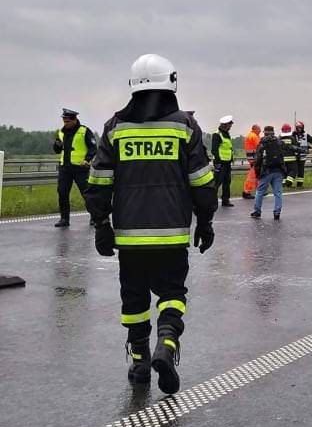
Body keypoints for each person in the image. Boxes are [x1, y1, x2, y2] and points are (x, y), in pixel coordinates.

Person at [84, 54, 217, 394]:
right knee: (172, 294)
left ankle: (140, 361)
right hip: (171, 236)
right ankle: (167, 344)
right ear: (171, 83)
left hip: (129, 238)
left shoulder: (115, 128)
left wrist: (101, 223)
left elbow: (98, 182)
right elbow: (202, 181)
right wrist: (205, 222)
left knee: (134, 299)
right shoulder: (184, 127)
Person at [52, 108, 97, 227]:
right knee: (62, 193)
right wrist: (57, 145)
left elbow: (93, 148)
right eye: (64, 121)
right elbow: (57, 150)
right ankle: (64, 219)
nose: (65, 124)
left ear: (74, 120)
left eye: (67, 122)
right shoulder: (61, 132)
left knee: (86, 193)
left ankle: (94, 216)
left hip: (80, 168)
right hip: (65, 168)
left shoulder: (84, 131)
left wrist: (87, 160)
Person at [251, 125, 287, 220]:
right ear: (273, 132)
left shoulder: (262, 143)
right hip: (278, 171)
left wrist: (257, 172)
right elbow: (287, 150)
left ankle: (257, 211)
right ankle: (277, 213)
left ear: (265, 132)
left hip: (267, 171)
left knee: (260, 192)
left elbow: (258, 159)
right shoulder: (279, 142)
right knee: (278, 193)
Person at [211, 115, 235, 207]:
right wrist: (217, 163)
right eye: (230, 125)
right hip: (220, 163)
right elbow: (214, 150)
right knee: (217, 182)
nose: (231, 127)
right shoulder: (217, 134)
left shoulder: (226, 134)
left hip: (227, 162)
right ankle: (212, 200)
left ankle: (225, 200)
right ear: (226, 125)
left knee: (227, 182)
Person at [291, 121, 312, 188]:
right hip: (294, 156)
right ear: (296, 128)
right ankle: (289, 184)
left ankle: (299, 185)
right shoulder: (293, 135)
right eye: (298, 127)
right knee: (293, 170)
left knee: (301, 171)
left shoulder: (306, 135)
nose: (299, 129)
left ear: (302, 127)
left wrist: (309, 146)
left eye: (300, 127)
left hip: (302, 156)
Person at [242, 124, 261, 199]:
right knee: (252, 176)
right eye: (259, 129)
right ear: (255, 129)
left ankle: (260, 190)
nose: (260, 131)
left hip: (251, 158)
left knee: (256, 174)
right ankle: (246, 192)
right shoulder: (254, 136)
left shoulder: (250, 135)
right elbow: (259, 147)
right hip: (254, 158)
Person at [280, 123, 298, 187]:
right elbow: (296, 148)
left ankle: (283, 184)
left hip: (282, 159)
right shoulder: (292, 138)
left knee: (284, 172)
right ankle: (288, 183)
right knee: (293, 170)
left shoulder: (279, 138)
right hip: (291, 159)